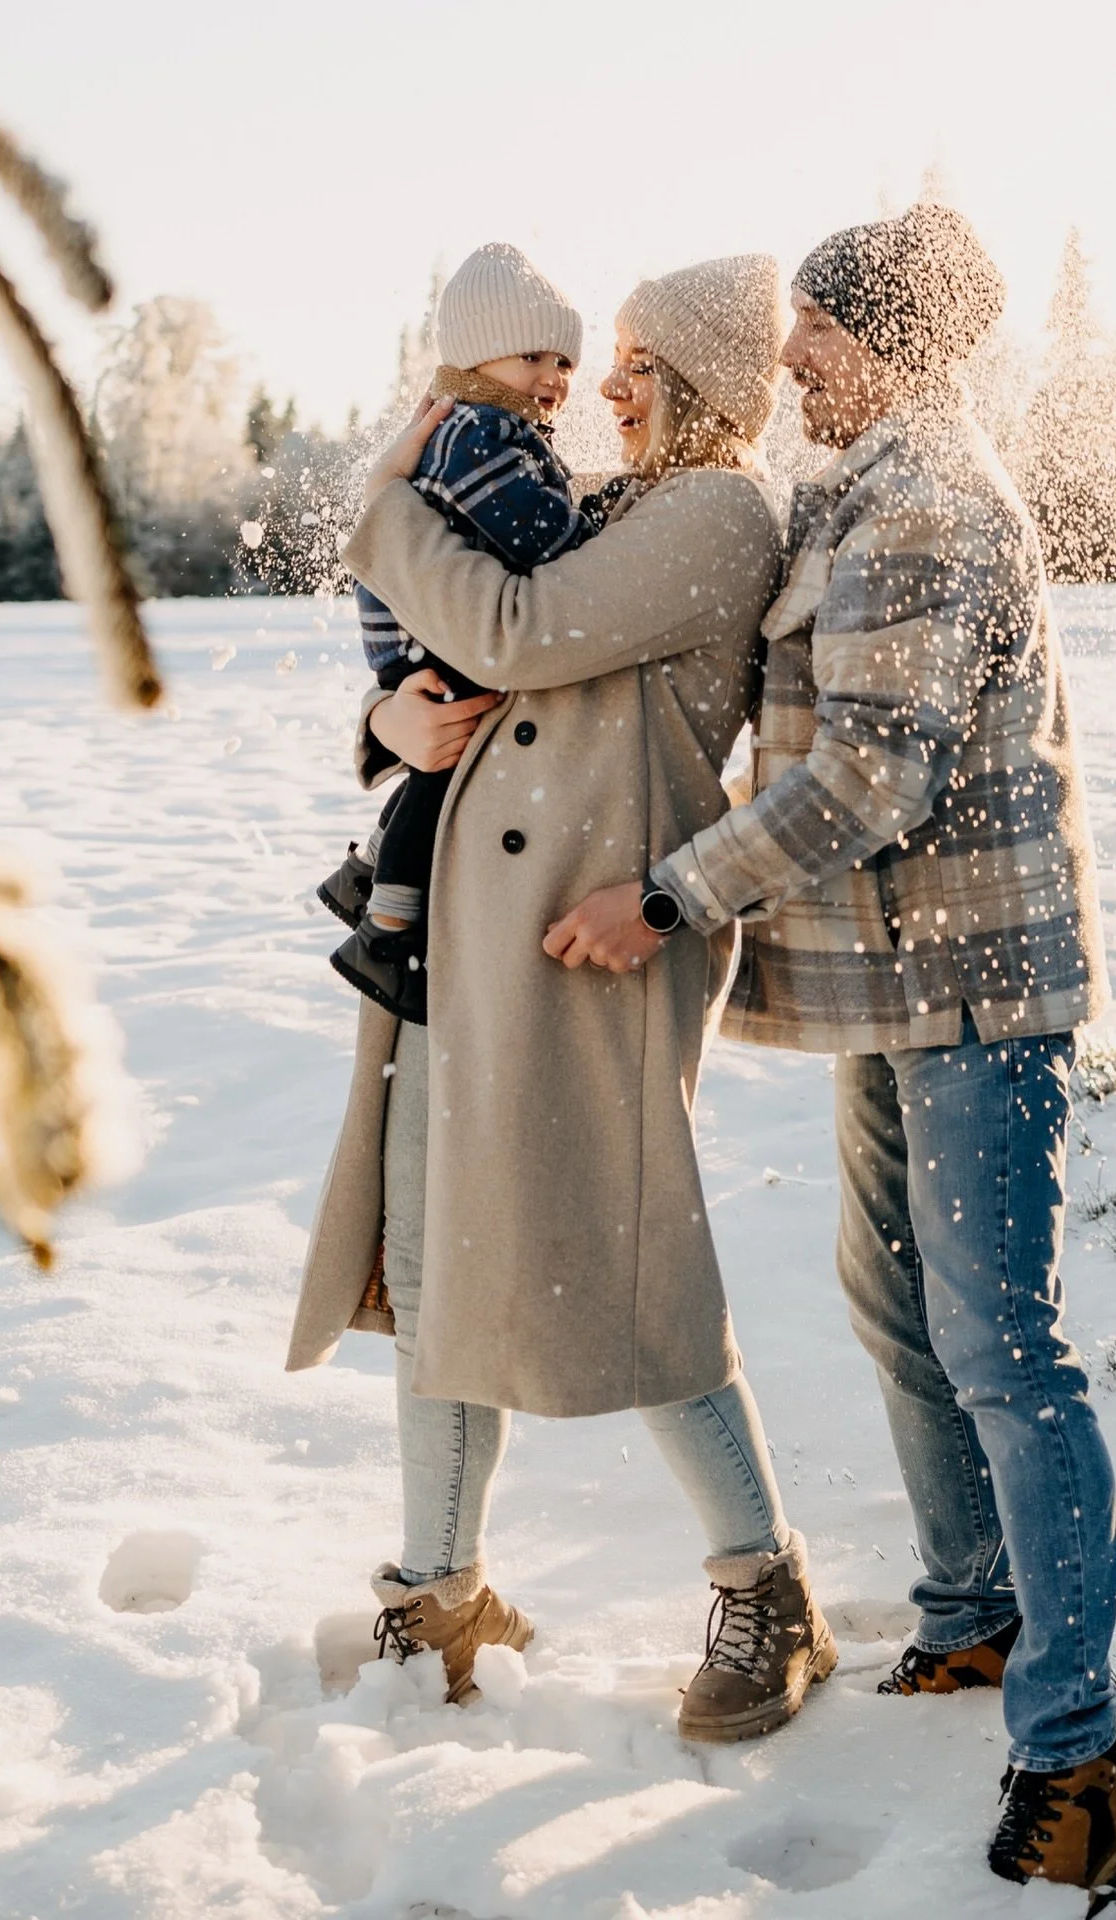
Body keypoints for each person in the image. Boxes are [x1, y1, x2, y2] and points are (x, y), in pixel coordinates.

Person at [553, 204, 1116, 1893]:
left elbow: (869, 779)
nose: (794, 359)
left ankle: (1077, 1754)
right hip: (897, 990)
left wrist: (666, 897)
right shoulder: (852, 489)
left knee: (1002, 1349)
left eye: (818, 331)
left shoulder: (929, 505)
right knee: (899, 1311)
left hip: (975, 991)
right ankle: (973, 1615)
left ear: (885, 342)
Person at [288, 255, 838, 1742]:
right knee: (438, 1256)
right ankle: (438, 1592)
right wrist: (386, 714)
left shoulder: (719, 514)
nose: (607, 385)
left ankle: (769, 1585)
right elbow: (470, 653)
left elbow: (520, 633)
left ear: (706, 380)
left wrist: (382, 503)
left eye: (641, 361)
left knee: (635, 1265)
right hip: (473, 938)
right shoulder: (624, 506)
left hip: (597, 953)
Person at [318, 243, 599, 1023]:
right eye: (532, 356)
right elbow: (534, 534)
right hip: (425, 636)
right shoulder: (478, 432)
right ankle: (389, 930)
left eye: (565, 361)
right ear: (477, 356)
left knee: (439, 765)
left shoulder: (490, 427)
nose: (554, 376)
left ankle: (368, 875)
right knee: (445, 773)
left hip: (424, 629)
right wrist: (592, 534)